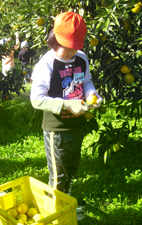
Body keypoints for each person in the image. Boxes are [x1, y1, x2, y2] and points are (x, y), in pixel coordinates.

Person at [30, 12, 102, 216]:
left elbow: (86, 81)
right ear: (54, 38)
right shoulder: (47, 63)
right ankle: (55, 213)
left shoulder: (81, 58)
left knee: (71, 167)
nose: (71, 52)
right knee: (58, 174)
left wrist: (92, 94)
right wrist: (68, 105)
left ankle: (66, 201)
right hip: (57, 128)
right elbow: (36, 99)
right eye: (67, 47)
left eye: (75, 47)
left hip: (78, 125)